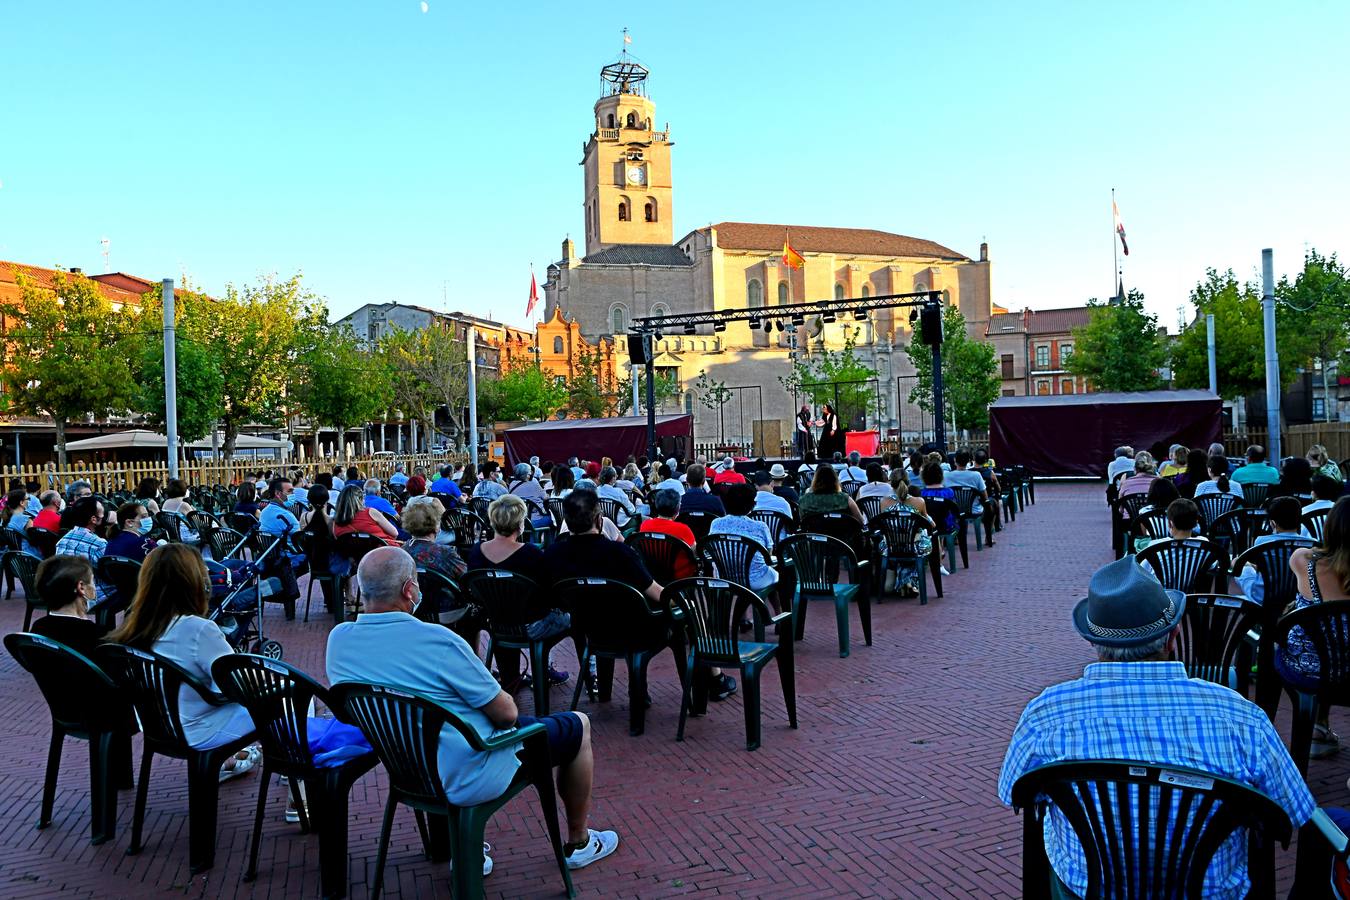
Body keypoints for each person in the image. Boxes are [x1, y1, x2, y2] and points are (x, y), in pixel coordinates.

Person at [997, 556, 1314, 900]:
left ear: (1093, 642)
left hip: (1085, 889)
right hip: (1209, 893)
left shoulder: (1047, 714)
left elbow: (1014, 791)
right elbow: (1290, 811)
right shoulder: (1240, 718)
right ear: (1173, 635)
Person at [327, 547, 619, 874]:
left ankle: (462, 846)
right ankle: (579, 842)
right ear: (409, 590)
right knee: (578, 725)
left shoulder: (339, 640)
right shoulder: (436, 641)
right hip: (468, 768)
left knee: (448, 724)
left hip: (405, 766)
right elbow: (506, 714)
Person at [107, 545, 263, 781]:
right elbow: (240, 683)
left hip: (158, 726)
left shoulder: (134, 627)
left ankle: (227, 763)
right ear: (194, 582)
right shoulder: (197, 629)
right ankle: (299, 791)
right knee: (296, 702)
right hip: (198, 729)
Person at [465, 495, 569, 689]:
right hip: (531, 625)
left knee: (507, 611)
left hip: (495, 622)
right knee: (570, 618)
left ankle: (510, 677)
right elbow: (551, 592)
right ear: (520, 524)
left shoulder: (476, 552)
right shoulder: (531, 553)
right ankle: (547, 669)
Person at [1282, 497, 1350, 760]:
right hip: (1347, 667)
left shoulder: (1303, 560)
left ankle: (1317, 726)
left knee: (1316, 642)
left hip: (1310, 669)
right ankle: (1320, 727)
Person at [706, 484, 778, 593]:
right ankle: (779, 609)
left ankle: (743, 609)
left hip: (724, 577)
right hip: (754, 579)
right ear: (751, 505)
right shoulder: (760, 526)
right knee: (775, 574)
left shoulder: (715, 523)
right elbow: (768, 555)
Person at [1236, 496, 1307, 608]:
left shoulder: (1261, 541)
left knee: (1242, 568)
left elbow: (1264, 569)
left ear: (1273, 523)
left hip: (1263, 597)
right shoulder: (1311, 544)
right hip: (1296, 597)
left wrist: (1247, 566)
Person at [55, 498, 110, 602]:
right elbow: (109, 574)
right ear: (94, 519)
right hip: (90, 595)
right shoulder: (99, 544)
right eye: (103, 516)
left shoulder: (62, 540)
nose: (104, 518)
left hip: (65, 593)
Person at [401, 497, 466, 583]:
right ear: (436, 528)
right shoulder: (446, 553)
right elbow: (467, 578)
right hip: (443, 595)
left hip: (412, 595)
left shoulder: (402, 551)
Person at [944, 450, 996, 546]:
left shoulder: (946, 476)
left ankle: (955, 537)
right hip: (974, 511)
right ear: (968, 461)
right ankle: (989, 537)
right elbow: (985, 496)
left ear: (955, 460)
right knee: (992, 504)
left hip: (954, 511)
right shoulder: (976, 475)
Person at [333, 483, 400, 546]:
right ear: (360, 499)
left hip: (354, 556)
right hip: (383, 553)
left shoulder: (335, 521)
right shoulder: (370, 512)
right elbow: (395, 533)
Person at [799, 463, 864, 523]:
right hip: (841, 534)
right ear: (835, 480)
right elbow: (861, 521)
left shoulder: (804, 500)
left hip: (814, 534)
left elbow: (801, 522)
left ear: (815, 480)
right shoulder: (846, 499)